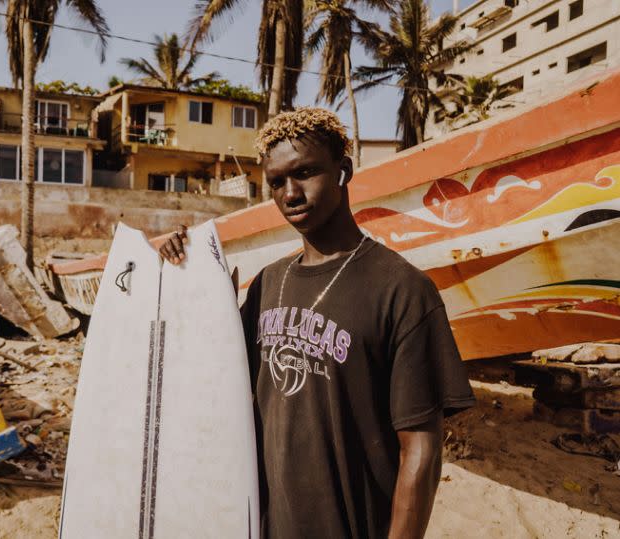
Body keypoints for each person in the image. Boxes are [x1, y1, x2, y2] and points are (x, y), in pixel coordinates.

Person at [159, 108, 475, 539]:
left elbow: (421, 450)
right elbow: (214, 386)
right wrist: (181, 275)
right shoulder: (268, 283)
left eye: (305, 172)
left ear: (343, 171)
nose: (290, 193)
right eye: (276, 182)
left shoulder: (402, 290)